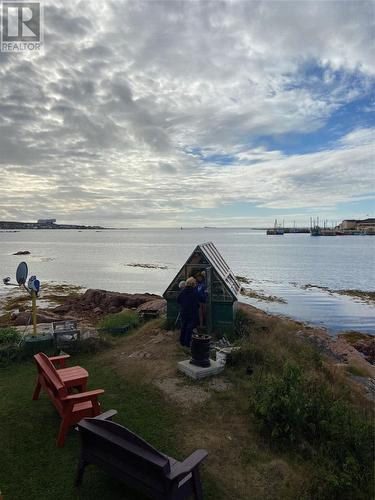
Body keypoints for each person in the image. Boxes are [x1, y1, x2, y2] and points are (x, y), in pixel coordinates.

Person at [177, 276, 199, 347]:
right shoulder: (194, 292)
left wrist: (183, 305)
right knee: (189, 328)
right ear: (193, 284)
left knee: (183, 326)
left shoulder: (183, 291)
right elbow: (198, 301)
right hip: (192, 312)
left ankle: (181, 341)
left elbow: (178, 300)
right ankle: (187, 343)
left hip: (183, 311)